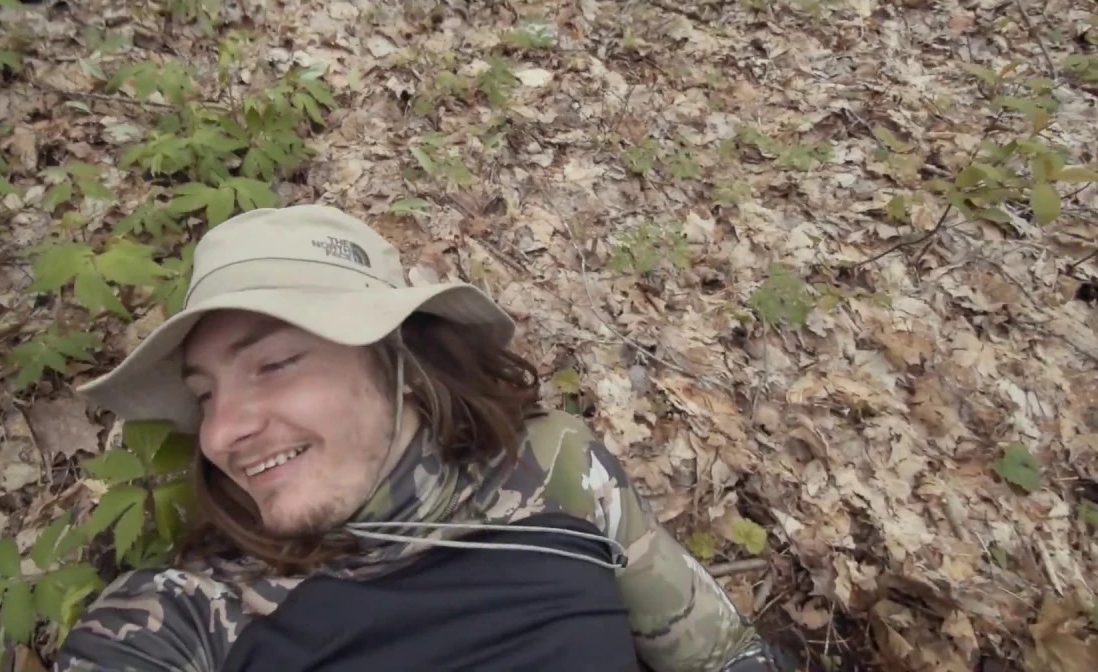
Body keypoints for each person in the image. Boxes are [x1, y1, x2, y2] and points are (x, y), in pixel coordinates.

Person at [54, 204, 792, 672]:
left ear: (400, 361)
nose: (221, 431)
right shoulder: (194, 609)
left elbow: (721, 653)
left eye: (274, 363)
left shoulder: (552, 472)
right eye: (203, 394)